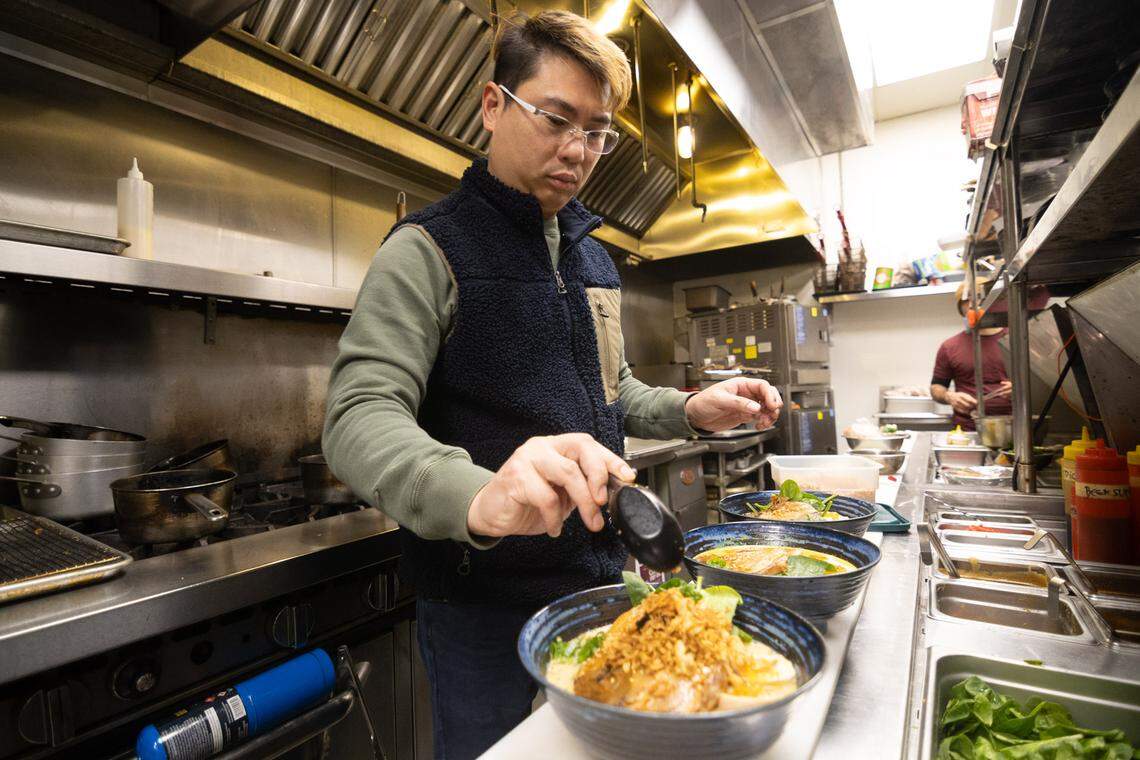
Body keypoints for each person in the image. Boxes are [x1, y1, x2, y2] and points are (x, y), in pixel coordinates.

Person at [322, 11, 783, 759]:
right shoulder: (427, 250)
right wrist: (481, 495)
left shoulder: (593, 259)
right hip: (478, 605)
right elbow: (356, 414)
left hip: (595, 585)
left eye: (597, 132)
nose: (578, 150)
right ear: (493, 104)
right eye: (556, 119)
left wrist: (691, 408)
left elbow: (614, 390)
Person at [930, 281, 1012, 430]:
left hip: (1014, 427)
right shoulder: (950, 346)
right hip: (967, 430)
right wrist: (949, 396)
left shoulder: (1016, 340)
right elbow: (936, 387)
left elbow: (1042, 384)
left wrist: (1020, 389)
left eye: (979, 298)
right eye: (966, 301)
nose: (972, 305)